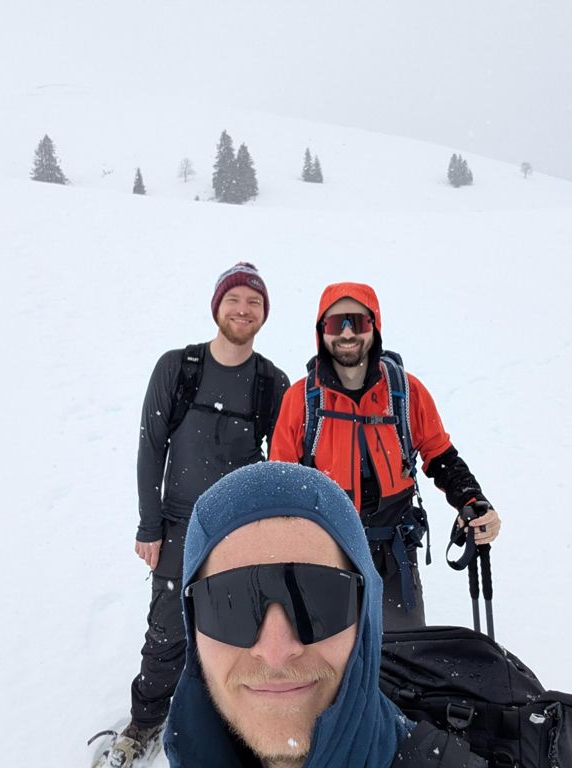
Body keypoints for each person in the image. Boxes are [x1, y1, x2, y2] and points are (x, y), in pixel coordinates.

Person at [164, 461, 486, 767]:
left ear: (365, 618)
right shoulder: (302, 404)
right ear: (192, 625)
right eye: (228, 604)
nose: (276, 652)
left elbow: (436, 450)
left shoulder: (405, 403)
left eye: (318, 600)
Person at [103, 263, 290, 767]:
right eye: (235, 300)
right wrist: (149, 526)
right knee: (166, 629)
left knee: (237, 628)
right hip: (180, 522)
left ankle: (230, 718)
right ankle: (145, 721)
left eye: (254, 303)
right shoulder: (178, 367)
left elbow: (286, 461)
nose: (243, 310)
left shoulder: (272, 382)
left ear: (264, 315)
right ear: (217, 307)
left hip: (239, 527)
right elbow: (151, 450)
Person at [270, 282, 501, 630]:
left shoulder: (406, 392)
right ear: (321, 332)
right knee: (332, 667)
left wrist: (473, 501)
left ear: (373, 326)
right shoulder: (301, 401)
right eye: (335, 324)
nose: (347, 333)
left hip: (394, 554)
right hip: (325, 554)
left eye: (357, 322)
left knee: (402, 661)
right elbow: (280, 485)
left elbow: (440, 457)